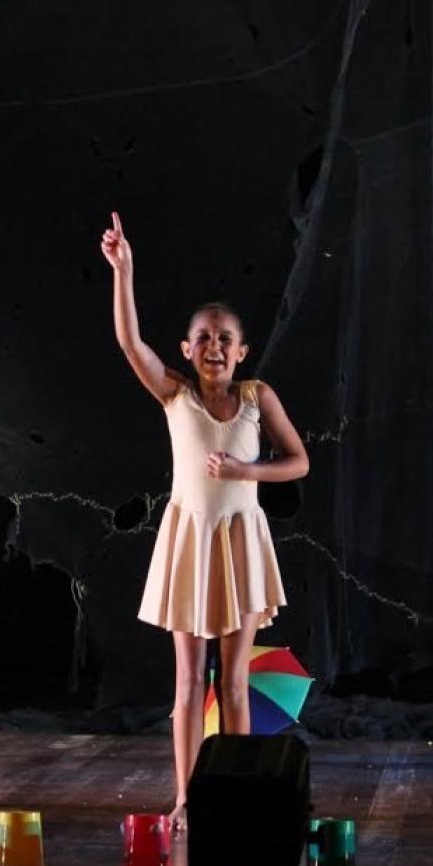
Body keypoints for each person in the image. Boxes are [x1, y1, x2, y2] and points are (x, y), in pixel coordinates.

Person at [101, 212, 309, 832]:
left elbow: (298, 462)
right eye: (203, 338)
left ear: (241, 351)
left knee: (236, 681)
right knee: (189, 682)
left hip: (241, 543)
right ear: (187, 349)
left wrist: (247, 472)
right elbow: (129, 342)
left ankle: (236, 788)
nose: (214, 347)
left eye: (225, 339)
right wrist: (125, 272)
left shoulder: (256, 398)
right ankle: (189, 796)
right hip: (190, 541)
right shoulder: (174, 393)